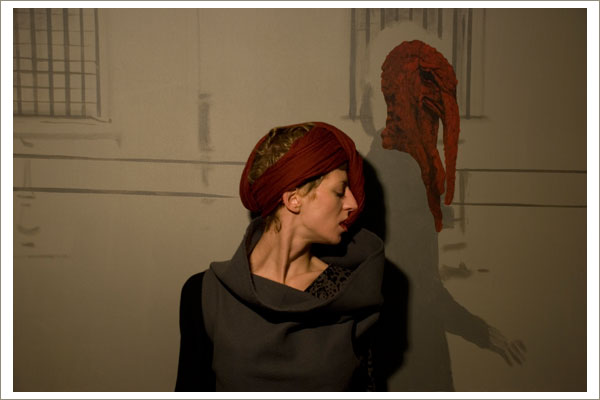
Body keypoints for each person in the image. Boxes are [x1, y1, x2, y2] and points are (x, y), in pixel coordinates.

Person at [175, 122, 386, 391]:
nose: (353, 204)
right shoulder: (206, 294)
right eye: (339, 191)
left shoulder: (350, 293)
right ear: (294, 199)